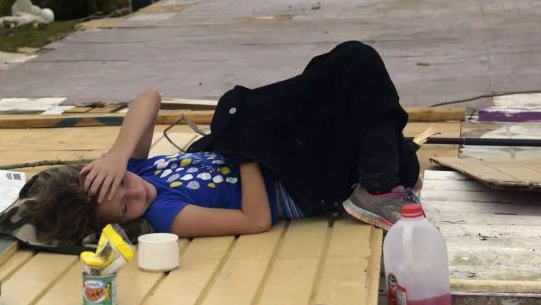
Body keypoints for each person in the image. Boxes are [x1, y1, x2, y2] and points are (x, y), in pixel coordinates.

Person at [31, 41, 421, 241]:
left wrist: (118, 156)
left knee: (347, 71)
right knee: (241, 109)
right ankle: (378, 186)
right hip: (298, 186)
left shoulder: (134, 167)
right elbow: (255, 221)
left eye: (123, 188)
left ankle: (378, 186)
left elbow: (149, 97)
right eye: (125, 211)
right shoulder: (165, 215)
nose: (137, 197)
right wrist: (246, 152)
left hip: (288, 153)